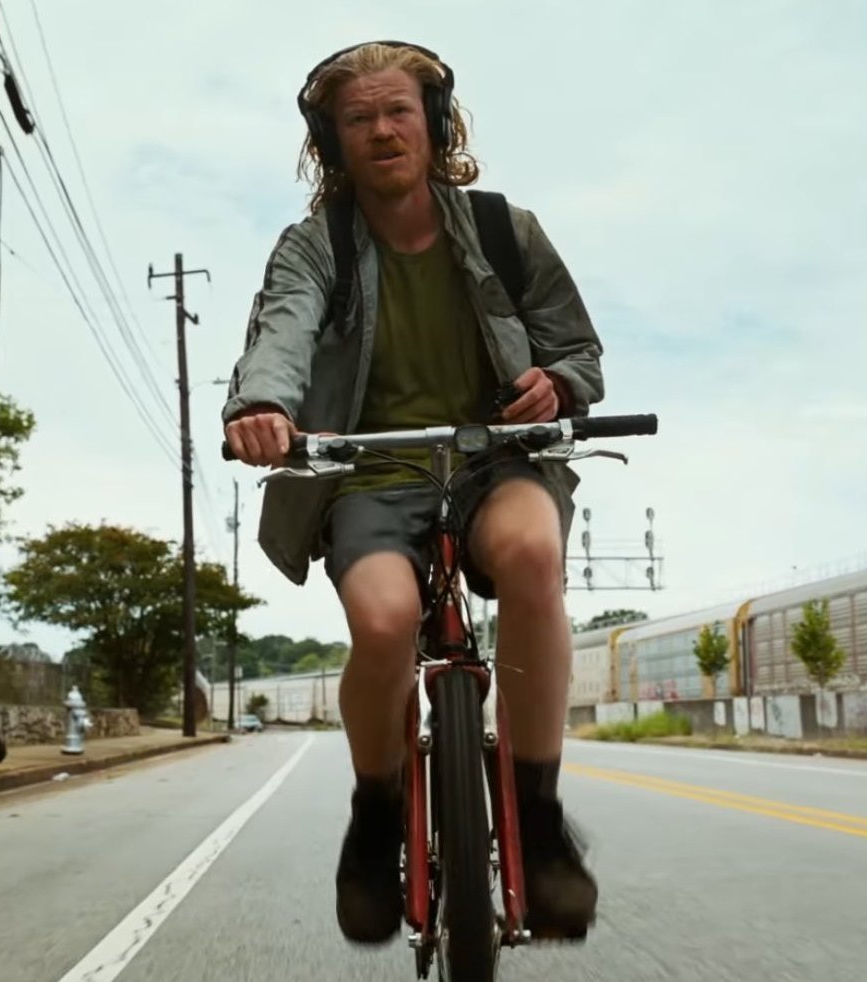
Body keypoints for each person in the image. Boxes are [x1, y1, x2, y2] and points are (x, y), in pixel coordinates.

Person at [220, 40, 605, 945]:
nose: (382, 131)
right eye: (358, 119)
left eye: (398, 111)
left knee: (533, 555)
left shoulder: (506, 230)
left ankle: (538, 817)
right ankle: (375, 813)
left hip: (494, 460)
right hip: (369, 473)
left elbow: (577, 352)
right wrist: (264, 406)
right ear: (332, 141)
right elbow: (281, 333)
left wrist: (557, 384)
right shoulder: (315, 246)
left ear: (433, 125)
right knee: (385, 619)